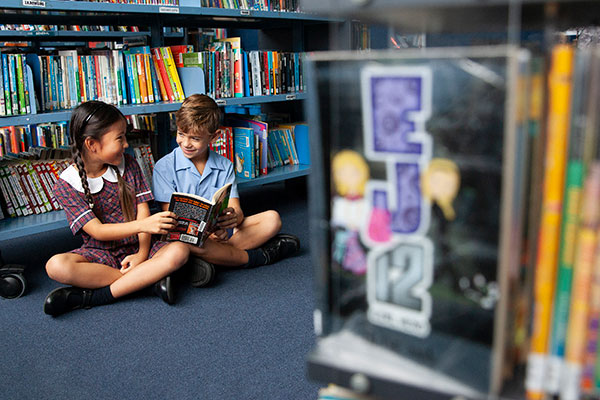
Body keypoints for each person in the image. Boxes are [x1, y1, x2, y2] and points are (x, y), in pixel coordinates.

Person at [44, 101, 190, 317]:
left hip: (143, 247)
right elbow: (98, 231)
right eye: (119, 138)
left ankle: (95, 296)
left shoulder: (128, 163)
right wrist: (144, 225)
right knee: (55, 266)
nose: (125, 144)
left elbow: (143, 210)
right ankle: (148, 282)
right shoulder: (66, 184)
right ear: (92, 144)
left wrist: (141, 254)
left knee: (180, 250)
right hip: (99, 253)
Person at [152, 94, 300, 286]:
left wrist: (229, 220)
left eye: (195, 138)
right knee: (182, 246)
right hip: (183, 237)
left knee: (272, 219)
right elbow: (170, 219)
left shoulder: (225, 165)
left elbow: (236, 211)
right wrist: (204, 234)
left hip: (218, 237)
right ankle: (253, 257)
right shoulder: (164, 167)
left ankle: (208, 260)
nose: (186, 143)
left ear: (214, 137)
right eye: (181, 134)